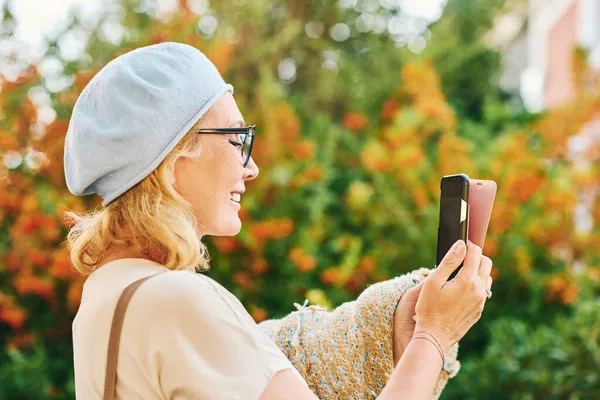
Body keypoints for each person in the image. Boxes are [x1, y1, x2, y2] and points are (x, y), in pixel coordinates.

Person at [64, 42, 493, 400]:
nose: (250, 169)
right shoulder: (179, 301)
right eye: (237, 139)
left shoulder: (105, 296)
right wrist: (434, 334)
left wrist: (404, 325)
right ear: (173, 158)